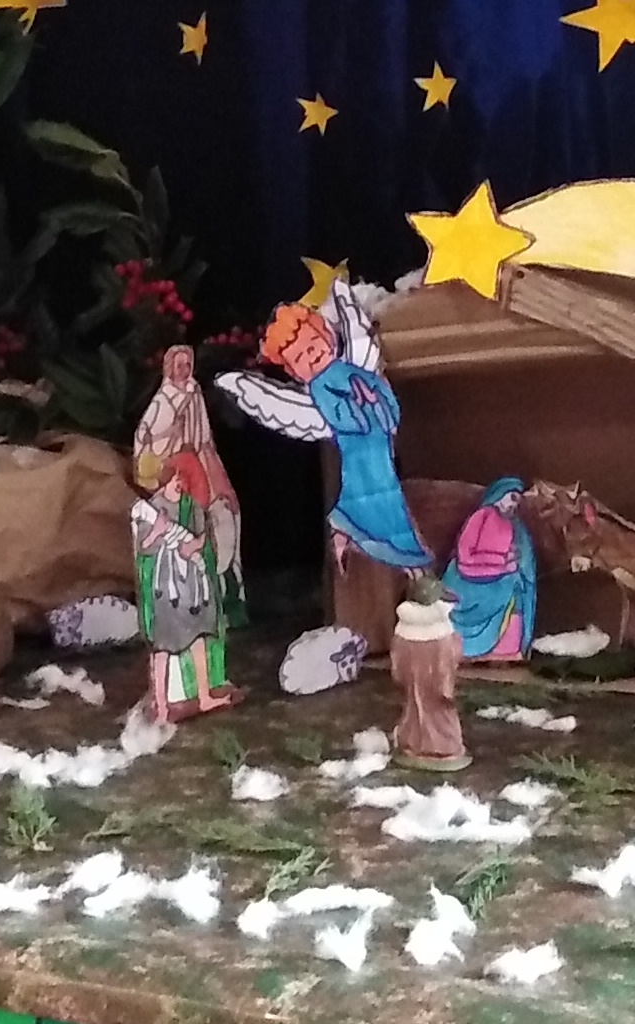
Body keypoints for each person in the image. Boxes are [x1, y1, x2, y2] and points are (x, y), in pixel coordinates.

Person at [222, 289, 431, 569]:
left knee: (389, 497)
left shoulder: (351, 365)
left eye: (313, 344)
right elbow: (339, 415)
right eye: (300, 357)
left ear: (326, 336)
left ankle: (376, 545)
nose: (311, 355)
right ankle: (379, 549)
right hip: (359, 454)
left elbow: (375, 383)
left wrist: (380, 403)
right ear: (293, 371)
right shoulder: (319, 388)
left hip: (379, 447)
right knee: (374, 501)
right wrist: (361, 404)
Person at [134, 344, 244, 616]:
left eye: (187, 364)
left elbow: (204, 435)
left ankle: (227, 596)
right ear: (169, 368)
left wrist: (210, 462)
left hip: (199, 461)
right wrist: (169, 436)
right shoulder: (162, 401)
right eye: (179, 365)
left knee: (224, 512)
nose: (184, 370)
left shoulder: (195, 392)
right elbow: (144, 437)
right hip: (175, 470)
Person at [132, 487, 233, 718]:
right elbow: (143, 547)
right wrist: (156, 532)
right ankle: (162, 704)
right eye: (174, 478)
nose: (178, 483)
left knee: (197, 637)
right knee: (162, 645)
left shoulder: (191, 506)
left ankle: (204, 696)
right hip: (166, 586)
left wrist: (196, 545)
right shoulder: (153, 507)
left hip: (191, 584)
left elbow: (203, 534)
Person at [442, 476, 537, 662]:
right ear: (499, 495)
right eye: (512, 498)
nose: (514, 505)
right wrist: (501, 562)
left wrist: (516, 559)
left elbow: (520, 554)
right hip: (469, 575)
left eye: (517, 501)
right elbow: (465, 554)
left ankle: (506, 651)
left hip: (501, 577)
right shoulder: (481, 516)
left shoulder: (514, 525)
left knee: (517, 586)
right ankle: (466, 649)